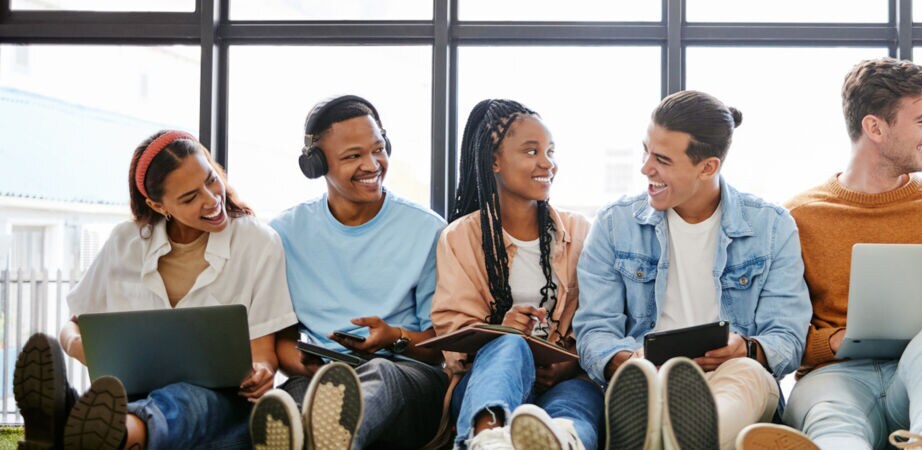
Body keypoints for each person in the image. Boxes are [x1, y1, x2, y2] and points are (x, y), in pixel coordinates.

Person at [13, 130, 297, 449]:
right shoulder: (126, 241)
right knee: (177, 417)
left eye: (211, 179)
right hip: (134, 390)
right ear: (157, 205)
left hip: (222, 401)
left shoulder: (258, 242)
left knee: (189, 403)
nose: (211, 199)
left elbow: (263, 353)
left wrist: (261, 371)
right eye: (189, 198)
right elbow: (74, 323)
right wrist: (77, 346)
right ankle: (100, 431)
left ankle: (89, 426)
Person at [573, 90, 811, 450]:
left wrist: (744, 348)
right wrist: (627, 360)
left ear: (708, 167)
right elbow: (594, 328)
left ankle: (676, 435)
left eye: (662, 159)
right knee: (644, 380)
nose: (645, 168)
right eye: (645, 150)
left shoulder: (772, 226)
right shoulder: (613, 223)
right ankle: (669, 428)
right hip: (648, 377)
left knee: (747, 374)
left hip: (733, 377)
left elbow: (788, 337)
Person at [780, 57, 922, 450]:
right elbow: (780, 335)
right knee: (834, 426)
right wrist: (835, 340)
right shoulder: (799, 216)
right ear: (874, 127)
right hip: (834, 378)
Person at [256, 95, 450, 450]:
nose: (372, 164)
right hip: (323, 376)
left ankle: (333, 434)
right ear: (316, 165)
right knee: (288, 405)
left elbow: (440, 350)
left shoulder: (428, 230)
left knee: (382, 374)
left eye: (378, 149)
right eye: (353, 156)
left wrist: (393, 337)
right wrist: (304, 364)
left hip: (408, 377)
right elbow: (280, 340)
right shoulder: (284, 233)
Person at [431, 99, 601, 450]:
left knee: (574, 406)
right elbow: (453, 339)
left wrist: (569, 365)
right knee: (509, 346)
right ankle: (487, 439)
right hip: (487, 379)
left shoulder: (580, 232)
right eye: (531, 151)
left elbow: (602, 320)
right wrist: (501, 331)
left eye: (550, 151)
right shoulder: (461, 236)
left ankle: (563, 441)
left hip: (563, 380)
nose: (547, 163)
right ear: (494, 160)